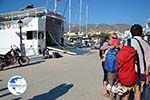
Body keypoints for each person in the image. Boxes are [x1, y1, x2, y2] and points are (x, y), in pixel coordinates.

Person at [122, 24, 150, 100]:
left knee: (126, 94)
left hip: (129, 72)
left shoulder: (128, 42)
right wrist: (147, 76)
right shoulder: (147, 44)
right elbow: (148, 62)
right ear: (141, 32)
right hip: (142, 73)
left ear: (131, 33)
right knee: (138, 95)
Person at [100, 33, 120, 98]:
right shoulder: (106, 43)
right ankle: (105, 90)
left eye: (116, 38)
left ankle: (112, 90)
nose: (114, 39)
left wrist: (116, 46)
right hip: (106, 62)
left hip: (115, 63)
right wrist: (110, 46)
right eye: (113, 37)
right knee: (106, 76)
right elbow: (101, 48)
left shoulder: (117, 43)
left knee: (114, 77)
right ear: (110, 37)